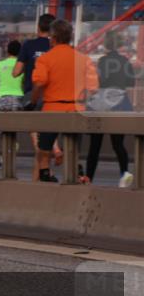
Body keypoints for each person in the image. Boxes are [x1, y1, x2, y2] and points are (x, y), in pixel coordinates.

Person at [30, 19, 98, 183]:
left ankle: (45, 175)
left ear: (52, 38)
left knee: (44, 148)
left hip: (51, 109)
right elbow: (93, 88)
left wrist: (33, 101)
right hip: (76, 109)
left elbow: (39, 83)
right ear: (70, 37)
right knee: (73, 148)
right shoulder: (84, 59)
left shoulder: (45, 59)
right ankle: (77, 174)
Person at [84, 32, 135, 187]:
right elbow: (131, 83)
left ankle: (89, 178)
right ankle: (124, 175)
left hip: (103, 103)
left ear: (106, 44)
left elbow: (99, 82)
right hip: (121, 103)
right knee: (118, 144)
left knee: (95, 145)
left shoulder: (102, 61)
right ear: (119, 44)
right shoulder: (125, 61)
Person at [14, 13, 58, 179]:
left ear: (38, 27)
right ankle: (44, 175)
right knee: (46, 139)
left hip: (31, 95)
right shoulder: (56, 47)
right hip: (51, 97)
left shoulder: (28, 45)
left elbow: (16, 72)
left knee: (38, 144)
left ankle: (44, 176)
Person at [0, 40, 25, 111]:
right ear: (20, 52)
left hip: (1, 97)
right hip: (17, 97)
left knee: (0, 121)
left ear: (8, 51)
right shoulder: (22, 65)